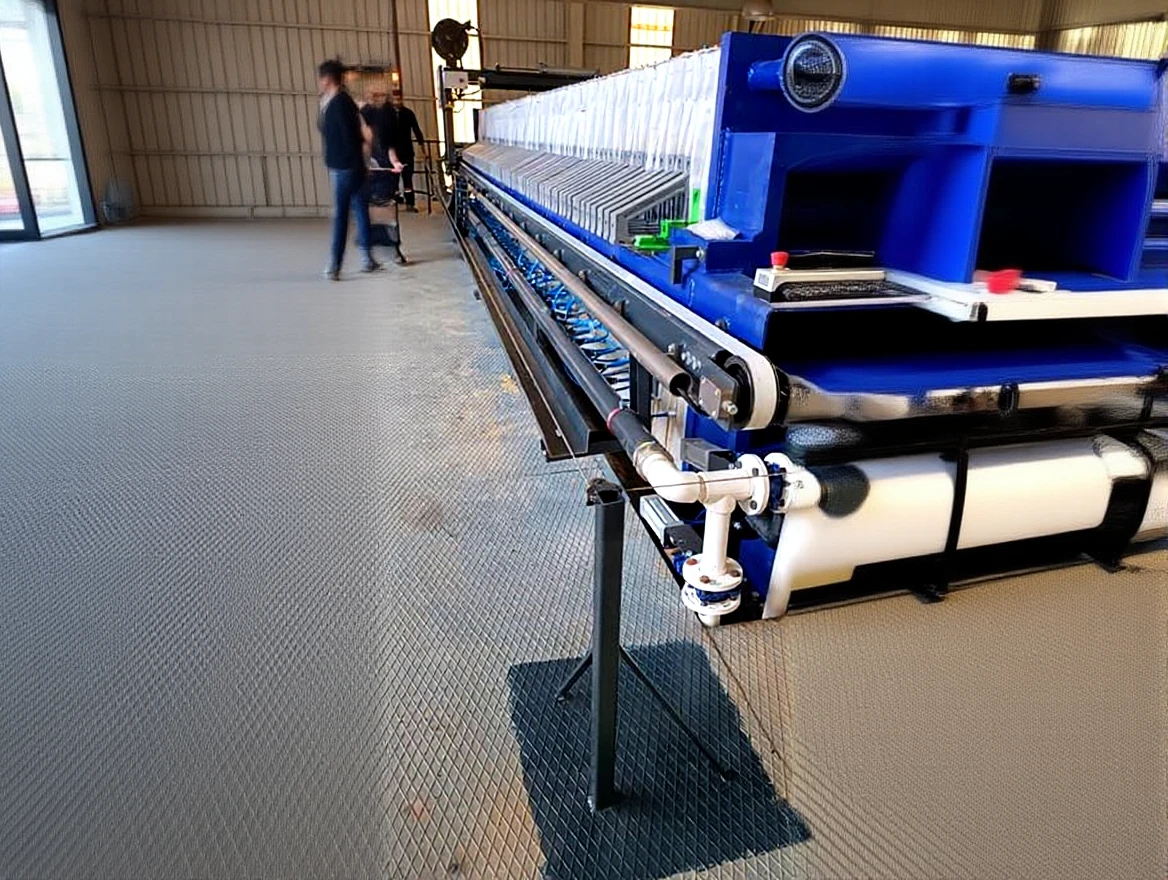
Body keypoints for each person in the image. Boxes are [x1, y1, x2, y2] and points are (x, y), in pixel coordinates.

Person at [317, 58, 379, 280]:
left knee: (342, 215)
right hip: (348, 165)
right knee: (360, 209)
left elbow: (352, 136)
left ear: (327, 79)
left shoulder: (340, 103)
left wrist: (360, 165)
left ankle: (335, 264)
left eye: (321, 78)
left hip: (346, 167)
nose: (320, 82)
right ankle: (367, 258)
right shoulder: (333, 102)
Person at [385, 91, 427, 212]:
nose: (397, 101)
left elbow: (416, 129)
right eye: (395, 99)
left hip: (406, 152)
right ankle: (394, 203)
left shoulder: (408, 113)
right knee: (393, 180)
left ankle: (410, 203)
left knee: (408, 179)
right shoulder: (387, 115)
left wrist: (422, 147)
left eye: (399, 99)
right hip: (393, 152)